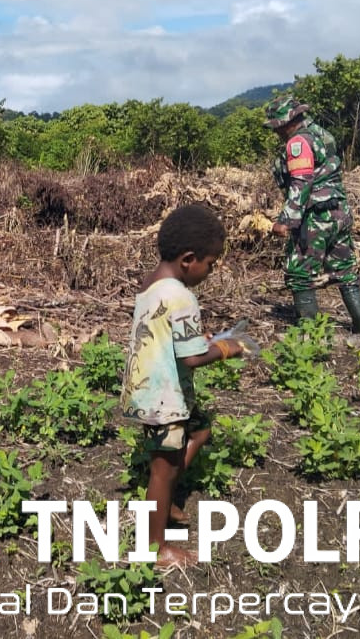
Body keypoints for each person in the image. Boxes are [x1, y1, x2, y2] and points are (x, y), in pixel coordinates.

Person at [121, 204, 245, 567]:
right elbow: (192, 359)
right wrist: (225, 347)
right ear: (189, 259)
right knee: (163, 469)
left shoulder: (152, 284)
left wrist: (197, 337)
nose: (212, 270)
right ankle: (156, 547)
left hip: (147, 387)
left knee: (201, 430)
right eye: (211, 263)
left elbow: (166, 335)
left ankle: (168, 502)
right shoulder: (182, 296)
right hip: (165, 397)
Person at [264, 94, 360, 338]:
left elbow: (301, 183)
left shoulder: (297, 143)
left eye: (277, 127)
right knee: (345, 271)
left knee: (300, 273)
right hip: (339, 212)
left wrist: (286, 221)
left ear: (287, 122)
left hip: (316, 216)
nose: (276, 133)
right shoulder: (323, 134)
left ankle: (309, 338)